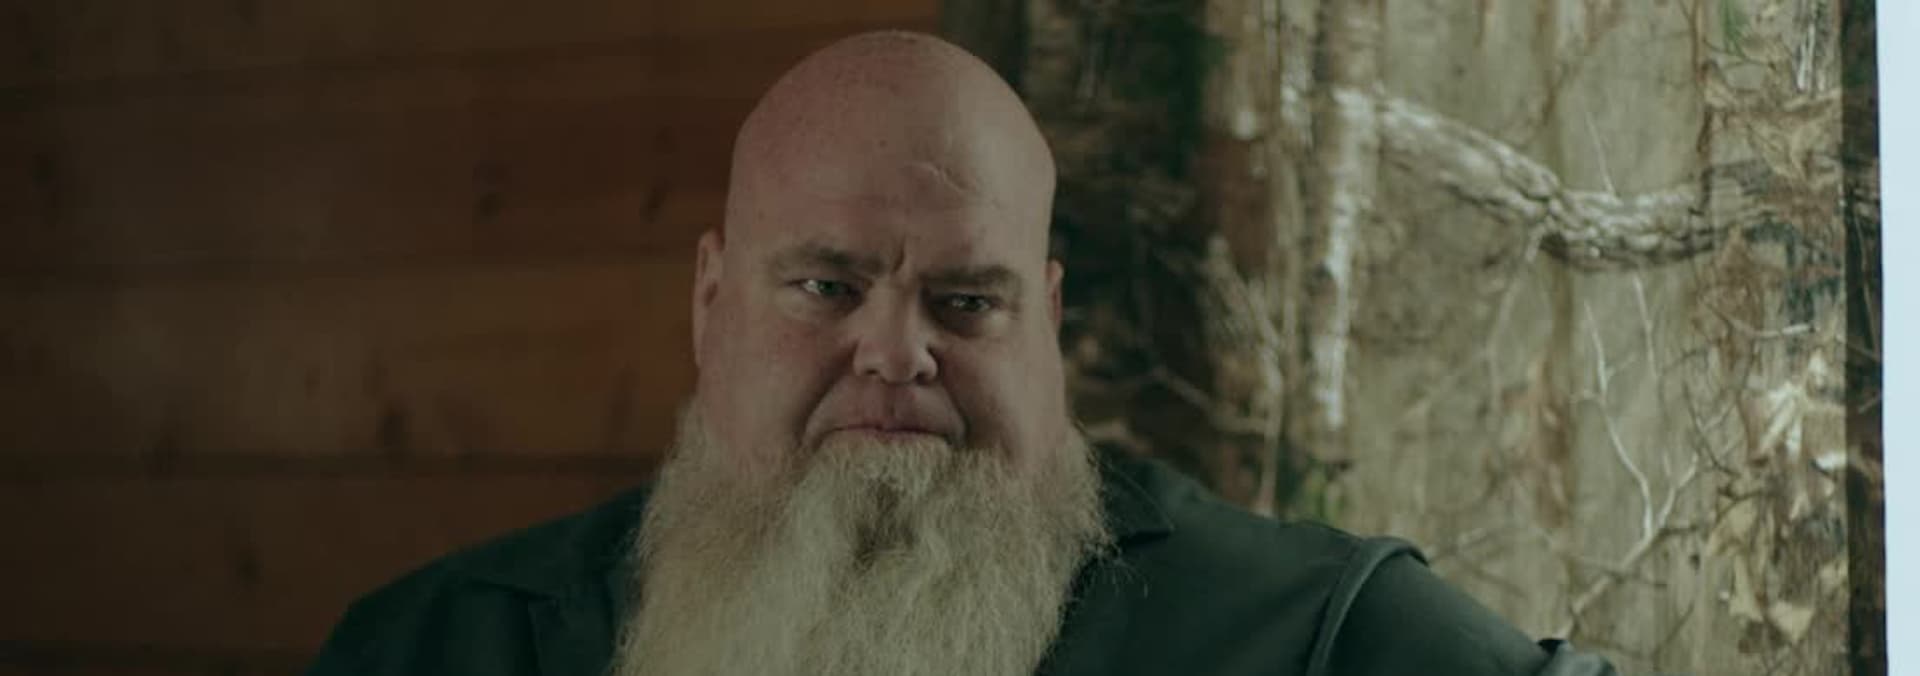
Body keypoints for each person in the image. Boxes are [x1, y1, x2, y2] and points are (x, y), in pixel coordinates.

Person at [306, 30, 1615, 676]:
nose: (896, 353)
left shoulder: (1309, 637)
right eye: (826, 286)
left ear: (1046, 320)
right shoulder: (439, 649)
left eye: (967, 302)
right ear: (711, 301)